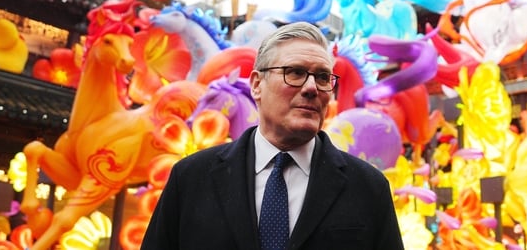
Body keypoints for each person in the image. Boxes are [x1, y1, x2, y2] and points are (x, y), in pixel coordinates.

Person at [141, 21, 405, 250]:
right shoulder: (190, 179)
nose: (312, 88)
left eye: (323, 77)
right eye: (296, 73)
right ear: (257, 84)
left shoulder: (368, 188)